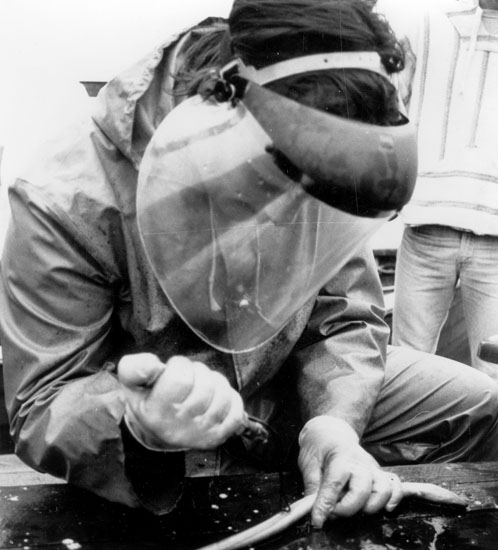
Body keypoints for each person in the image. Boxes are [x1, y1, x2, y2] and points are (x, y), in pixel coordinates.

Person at [1, 0, 498, 530]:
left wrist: (333, 425)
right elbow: (43, 401)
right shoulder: (65, 199)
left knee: (476, 406)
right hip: (165, 425)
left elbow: (345, 315)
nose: (286, 215)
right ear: (219, 115)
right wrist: (137, 424)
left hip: (285, 384)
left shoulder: (316, 138)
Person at [377, 0, 498, 380]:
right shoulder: (424, 22)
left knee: (494, 370)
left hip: (495, 241)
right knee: (406, 366)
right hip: (426, 226)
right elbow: (390, 102)